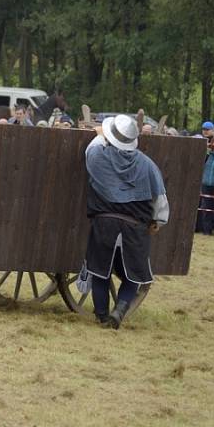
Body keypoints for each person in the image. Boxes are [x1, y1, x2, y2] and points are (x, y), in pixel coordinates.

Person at [84, 114, 168, 329]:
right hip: (135, 227)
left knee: (100, 272)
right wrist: (158, 220)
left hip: (104, 224)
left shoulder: (99, 156)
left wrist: (100, 136)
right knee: (134, 275)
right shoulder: (148, 165)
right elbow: (159, 197)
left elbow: (91, 150)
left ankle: (102, 316)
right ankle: (120, 309)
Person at [197, 121, 214, 235]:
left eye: (207, 129)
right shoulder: (200, 143)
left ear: (213, 130)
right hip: (205, 180)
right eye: (204, 129)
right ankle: (206, 230)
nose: (205, 131)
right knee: (205, 206)